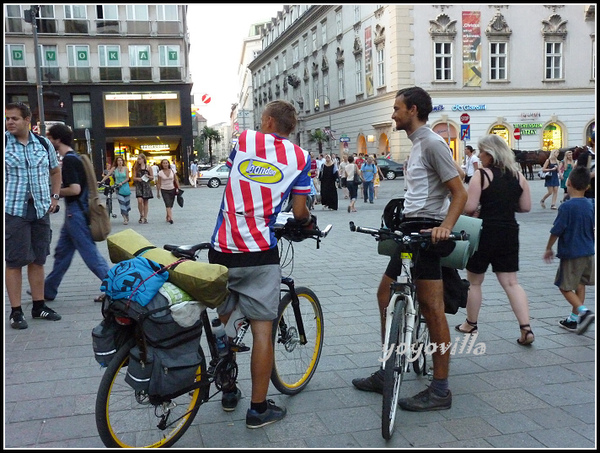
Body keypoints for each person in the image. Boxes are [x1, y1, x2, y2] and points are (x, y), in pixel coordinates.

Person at [352, 87, 467, 412]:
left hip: (427, 234)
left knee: (432, 309)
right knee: (384, 295)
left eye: (397, 108)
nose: (393, 114)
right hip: (408, 229)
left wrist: (444, 226)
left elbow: (458, 192)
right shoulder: (418, 144)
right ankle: (388, 369)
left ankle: (440, 389)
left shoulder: (432, 142)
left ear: (413, 109)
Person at [208, 100, 312, 428]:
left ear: (267, 120)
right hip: (259, 253)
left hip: (222, 248)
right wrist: (306, 221)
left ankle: (227, 390)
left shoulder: (243, 141)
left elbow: (240, 177)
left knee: (228, 325)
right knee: (261, 332)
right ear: (291, 128)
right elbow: (299, 212)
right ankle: (258, 409)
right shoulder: (300, 158)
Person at [455, 134, 534, 345]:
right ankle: (526, 328)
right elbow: (525, 207)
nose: (479, 156)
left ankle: (470, 323)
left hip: (484, 232)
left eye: (481, 152)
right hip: (509, 232)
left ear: (490, 154)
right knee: (511, 282)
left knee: (475, 281)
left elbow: (470, 207)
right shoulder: (519, 177)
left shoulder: (482, 175)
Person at [5, 102, 62, 329]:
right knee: (15, 261)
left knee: (38, 259)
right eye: (7, 118)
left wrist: (55, 196)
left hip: (39, 209)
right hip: (13, 210)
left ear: (27, 120)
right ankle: (16, 312)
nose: (9, 122)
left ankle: (39, 306)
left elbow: (55, 170)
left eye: (14, 118)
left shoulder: (42, 144)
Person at [43, 123, 111, 305]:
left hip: (76, 214)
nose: (48, 141)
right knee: (62, 253)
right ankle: (47, 290)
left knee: (90, 254)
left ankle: (115, 288)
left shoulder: (70, 161)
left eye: (50, 138)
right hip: (74, 213)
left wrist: (53, 192)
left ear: (57, 140)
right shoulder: (74, 158)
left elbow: (74, 189)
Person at [543, 166, 595, 335]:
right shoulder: (590, 204)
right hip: (589, 251)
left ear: (568, 182)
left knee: (564, 286)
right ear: (587, 187)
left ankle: (584, 312)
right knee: (580, 283)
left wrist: (548, 248)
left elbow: (556, 230)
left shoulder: (566, 207)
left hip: (572, 253)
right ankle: (573, 319)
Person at [100, 156, 131, 224]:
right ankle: (125, 218)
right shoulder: (114, 168)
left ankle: (127, 214)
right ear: (116, 162)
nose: (120, 162)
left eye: (121, 160)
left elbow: (127, 178)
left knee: (127, 204)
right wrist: (101, 181)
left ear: (123, 161)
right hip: (118, 188)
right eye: (118, 161)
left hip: (125, 187)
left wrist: (122, 183)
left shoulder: (125, 168)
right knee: (122, 203)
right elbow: (107, 175)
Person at [156, 158, 179, 224]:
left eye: (166, 163)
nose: (165, 164)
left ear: (168, 164)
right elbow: (159, 183)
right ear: (162, 165)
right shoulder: (160, 173)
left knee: (170, 205)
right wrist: (158, 192)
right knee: (167, 204)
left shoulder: (172, 171)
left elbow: (176, 180)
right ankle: (171, 218)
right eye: (164, 163)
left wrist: (178, 188)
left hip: (172, 189)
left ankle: (167, 216)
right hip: (164, 190)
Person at [133, 154, 153, 223]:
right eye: (138, 159)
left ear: (143, 159)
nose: (138, 160)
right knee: (139, 201)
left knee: (145, 202)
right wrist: (138, 179)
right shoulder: (136, 168)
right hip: (139, 185)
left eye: (140, 159)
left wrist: (148, 176)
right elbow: (133, 177)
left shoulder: (148, 167)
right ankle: (141, 214)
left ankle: (145, 217)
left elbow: (152, 177)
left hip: (146, 185)